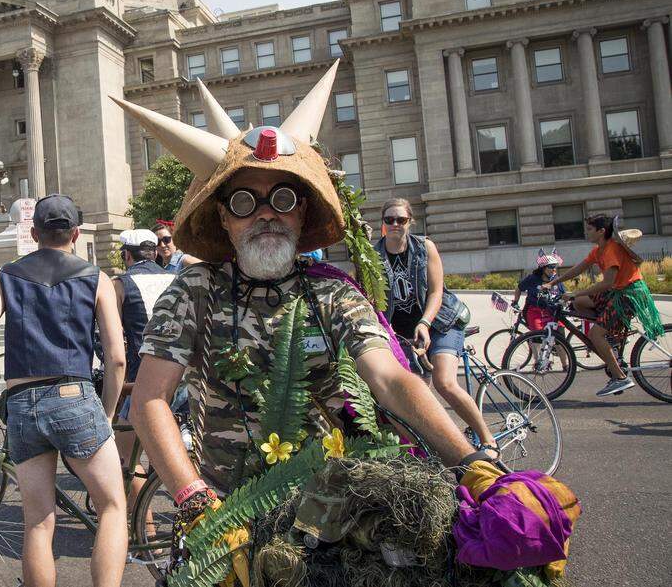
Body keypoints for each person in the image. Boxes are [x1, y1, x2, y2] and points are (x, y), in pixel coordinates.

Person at [114, 62, 487, 537]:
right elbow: (150, 400)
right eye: (245, 202)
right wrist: (192, 499)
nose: (266, 214)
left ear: (303, 211)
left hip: (334, 511)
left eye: (284, 198)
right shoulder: (193, 291)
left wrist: (470, 459)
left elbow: (390, 378)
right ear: (224, 218)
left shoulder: (332, 293)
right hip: (231, 516)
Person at [0, 194, 128, 587]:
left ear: (34, 233)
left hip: (22, 403)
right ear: (75, 233)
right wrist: (104, 414)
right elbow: (117, 357)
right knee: (111, 506)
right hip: (74, 396)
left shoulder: (6, 275)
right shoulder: (97, 278)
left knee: (38, 522)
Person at [376, 197, 496, 452]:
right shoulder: (373, 255)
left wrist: (424, 322)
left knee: (444, 383)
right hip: (403, 334)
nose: (395, 224)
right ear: (383, 224)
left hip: (441, 321)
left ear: (410, 221)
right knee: (413, 396)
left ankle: (487, 438)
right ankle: (432, 450)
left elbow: (436, 292)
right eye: (390, 220)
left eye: (401, 219)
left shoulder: (424, 247)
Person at [545, 214, 665, 396]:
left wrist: (576, 292)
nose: (587, 233)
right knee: (578, 303)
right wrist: (553, 282)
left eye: (590, 229)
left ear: (601, 231)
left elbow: (607, 283)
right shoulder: (598, 250)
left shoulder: (611, 250)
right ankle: (611, 339)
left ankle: (620, 377)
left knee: (595, 333)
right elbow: (579, 268)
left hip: (629, 294)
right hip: (617, 291)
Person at [111, 228, 175, 514]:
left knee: (128, 457)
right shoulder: (176, 278)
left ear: (127, 255)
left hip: (140, 379)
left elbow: (106, 335)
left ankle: (144, 531)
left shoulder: (121, 283)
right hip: (181, 377)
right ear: (154, 252)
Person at [512, 249, 565, 331]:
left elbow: (563, 296)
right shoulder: (532, 279)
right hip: (535, 312)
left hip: (553, 313)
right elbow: (519, 288)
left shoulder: (556, 280)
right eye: (551, 267)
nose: (554, 269)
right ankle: (533, 341)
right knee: (538, 338)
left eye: (555, 266)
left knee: (561, 338)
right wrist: (515, 302)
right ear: (543, 268)